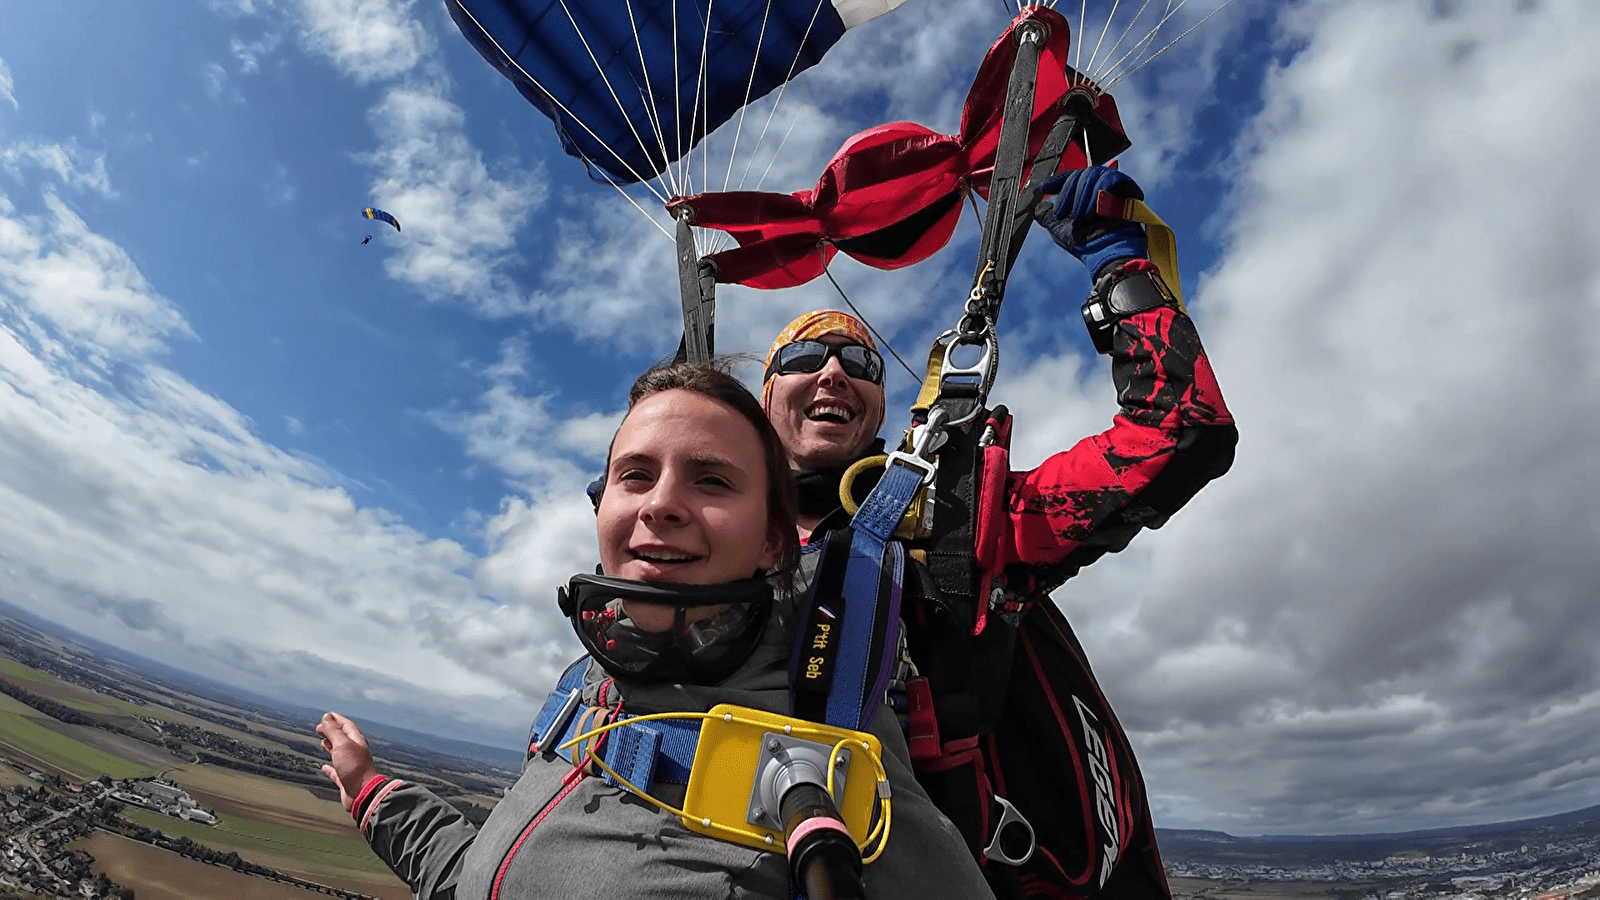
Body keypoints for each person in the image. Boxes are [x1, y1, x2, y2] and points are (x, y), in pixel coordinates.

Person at [318, 362, 994, 900]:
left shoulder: (831, 737)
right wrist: (377, 795)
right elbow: (485, 881)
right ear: (603, 505)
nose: (662, 504)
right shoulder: (589, 689)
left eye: (711, 480)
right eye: (635, 475)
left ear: (772, 541)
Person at [757, 166, 1237, 898]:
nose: (830, 372)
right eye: (800, 357)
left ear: (880, 407)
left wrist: (1118, 266)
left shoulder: (961, 523)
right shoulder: (701, 539)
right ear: (765, 399)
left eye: (857, 361)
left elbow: (1180, 430)